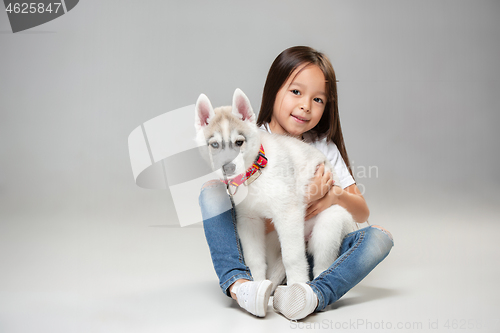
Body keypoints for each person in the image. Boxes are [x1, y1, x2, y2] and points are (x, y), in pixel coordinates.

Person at [198, 46, 393, 320]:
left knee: (379, 237)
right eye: (296, 92)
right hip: (267, 244)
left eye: (318, 99)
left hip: (311, 249)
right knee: (211, 192)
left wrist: (330, 197)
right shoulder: (252, 137)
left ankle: (312, 293)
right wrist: (304, 201)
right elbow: (252, 217)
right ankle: (241, 286)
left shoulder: (323, 146)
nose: (305, 106)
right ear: (274, 90)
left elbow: (362, 213)